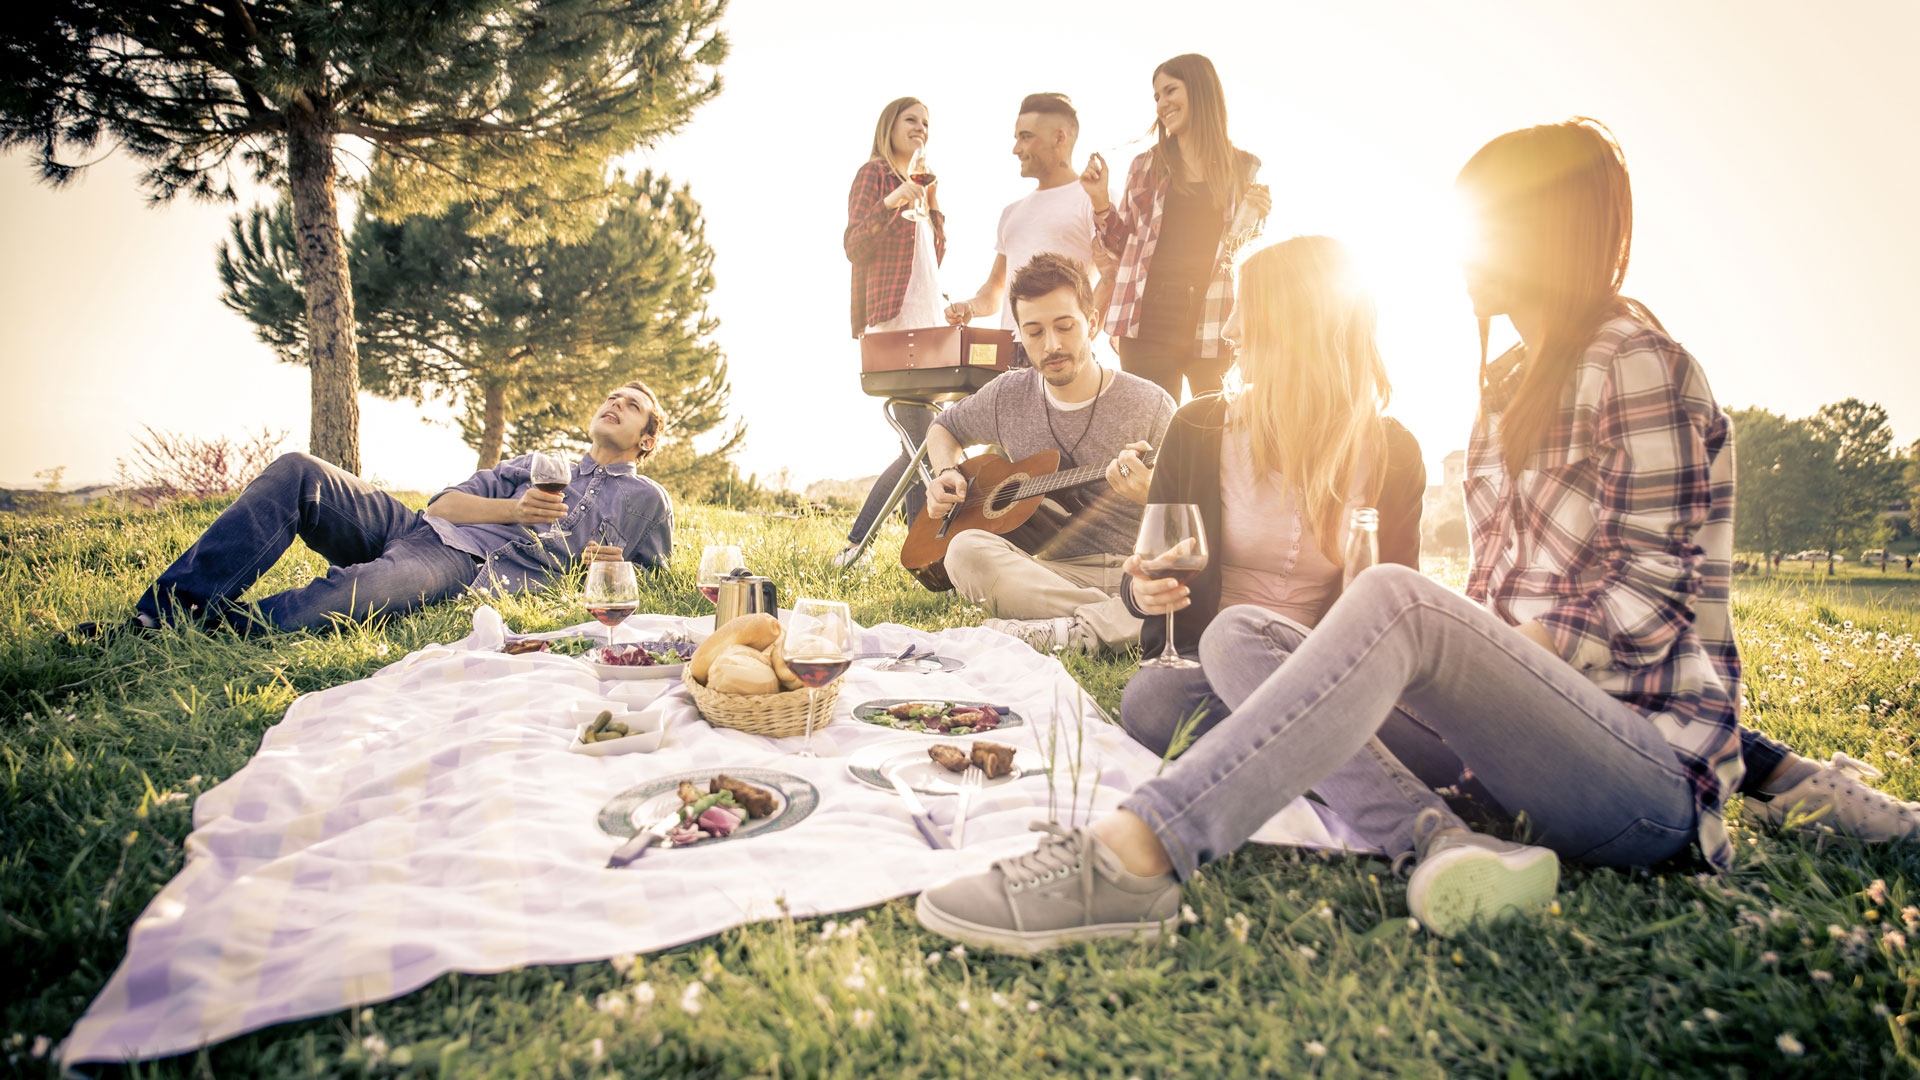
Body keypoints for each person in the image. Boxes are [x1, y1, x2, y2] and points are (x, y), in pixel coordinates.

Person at [916, 119, 1758, 952]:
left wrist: (1475, 658)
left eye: (1485, 225)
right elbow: (1503, 596)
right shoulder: (1512, 385)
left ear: (1545, 234)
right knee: (1235, 638)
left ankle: (1135, 856)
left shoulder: (1634, 361)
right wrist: (1455, 668)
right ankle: (1439, 838)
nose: (1461, 251)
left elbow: (1646, 599)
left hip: (1641, 783)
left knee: (1388, 599)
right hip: (1507, 760)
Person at [1112, 237, 1497, 823]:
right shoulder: (1197, 429)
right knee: (1155, 700)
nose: (1230, 329)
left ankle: (1293, 764)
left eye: (1247, 308)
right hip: (1209, 671)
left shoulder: (1392, 452)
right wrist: (1140, 591)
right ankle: (1357, 773)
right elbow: (1149, 566)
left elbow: (1396, 607)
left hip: (1338, 680)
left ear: (1296, 326)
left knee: (1449, 742)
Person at [79, 382, 673, 637]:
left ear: (647, 439)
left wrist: (603, 565)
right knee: (298, 471)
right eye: (611, 397)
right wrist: (517, 510)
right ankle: (162, 613)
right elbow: (443, 505)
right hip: (425, 530)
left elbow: (650, 578)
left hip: (466, 568)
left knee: (346, 596)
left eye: (633, 406)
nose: (616, 404)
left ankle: (205, 628)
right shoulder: (536, 464)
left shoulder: (647, 500)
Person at [923, 252, 1174, 655]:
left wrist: (1152, 497)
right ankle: (1122, 622)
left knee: (1191, 585)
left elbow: (1192, 517)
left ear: (1092, 323)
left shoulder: (1151, 403)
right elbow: (943, 427)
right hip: (1047, 573)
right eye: (1035, 332)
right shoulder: (1008, 394)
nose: (1052, 345)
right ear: (1020, 333)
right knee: (964, 552)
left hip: (1129, 572)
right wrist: (945, 471)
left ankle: (1070, 629)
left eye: (1065, 326)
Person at [1080, 54, 1272, 403]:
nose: (1162, 103)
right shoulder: (1147, 166)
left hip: (1215, 319)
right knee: (1151, 434)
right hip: (1147, 322)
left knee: (1215, 428)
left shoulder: (1243, 168)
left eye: (1170, 91)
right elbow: (1120, 248)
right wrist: (1100, 203)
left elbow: (1242, 255)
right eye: (1156, 96)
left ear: (1200, 91)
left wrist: (1257, 218)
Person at [834, 97, 948, 569]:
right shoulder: (875, 174)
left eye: (926, 122)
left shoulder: (921, 185)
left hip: (929, 324)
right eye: (911, 120)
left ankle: (921, 557)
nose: (920, 128)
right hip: (893, 324)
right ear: (890, 126)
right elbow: (854, 244)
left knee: (922, 441)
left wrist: (933, 207)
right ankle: (859, 547)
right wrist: (894, 199)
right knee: (924, 442)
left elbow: (935, 259)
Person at [944, 93, 1114, 355]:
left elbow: (1111, 274)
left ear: (1059, 138)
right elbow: (995, 288)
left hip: (1061, 350)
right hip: (1010, 352)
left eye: (1025, 137)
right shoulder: (1011, 213)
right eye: (1016, 138)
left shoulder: (1094, 197)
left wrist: (1084, 337)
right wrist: (970, 307)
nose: (1016, 149)